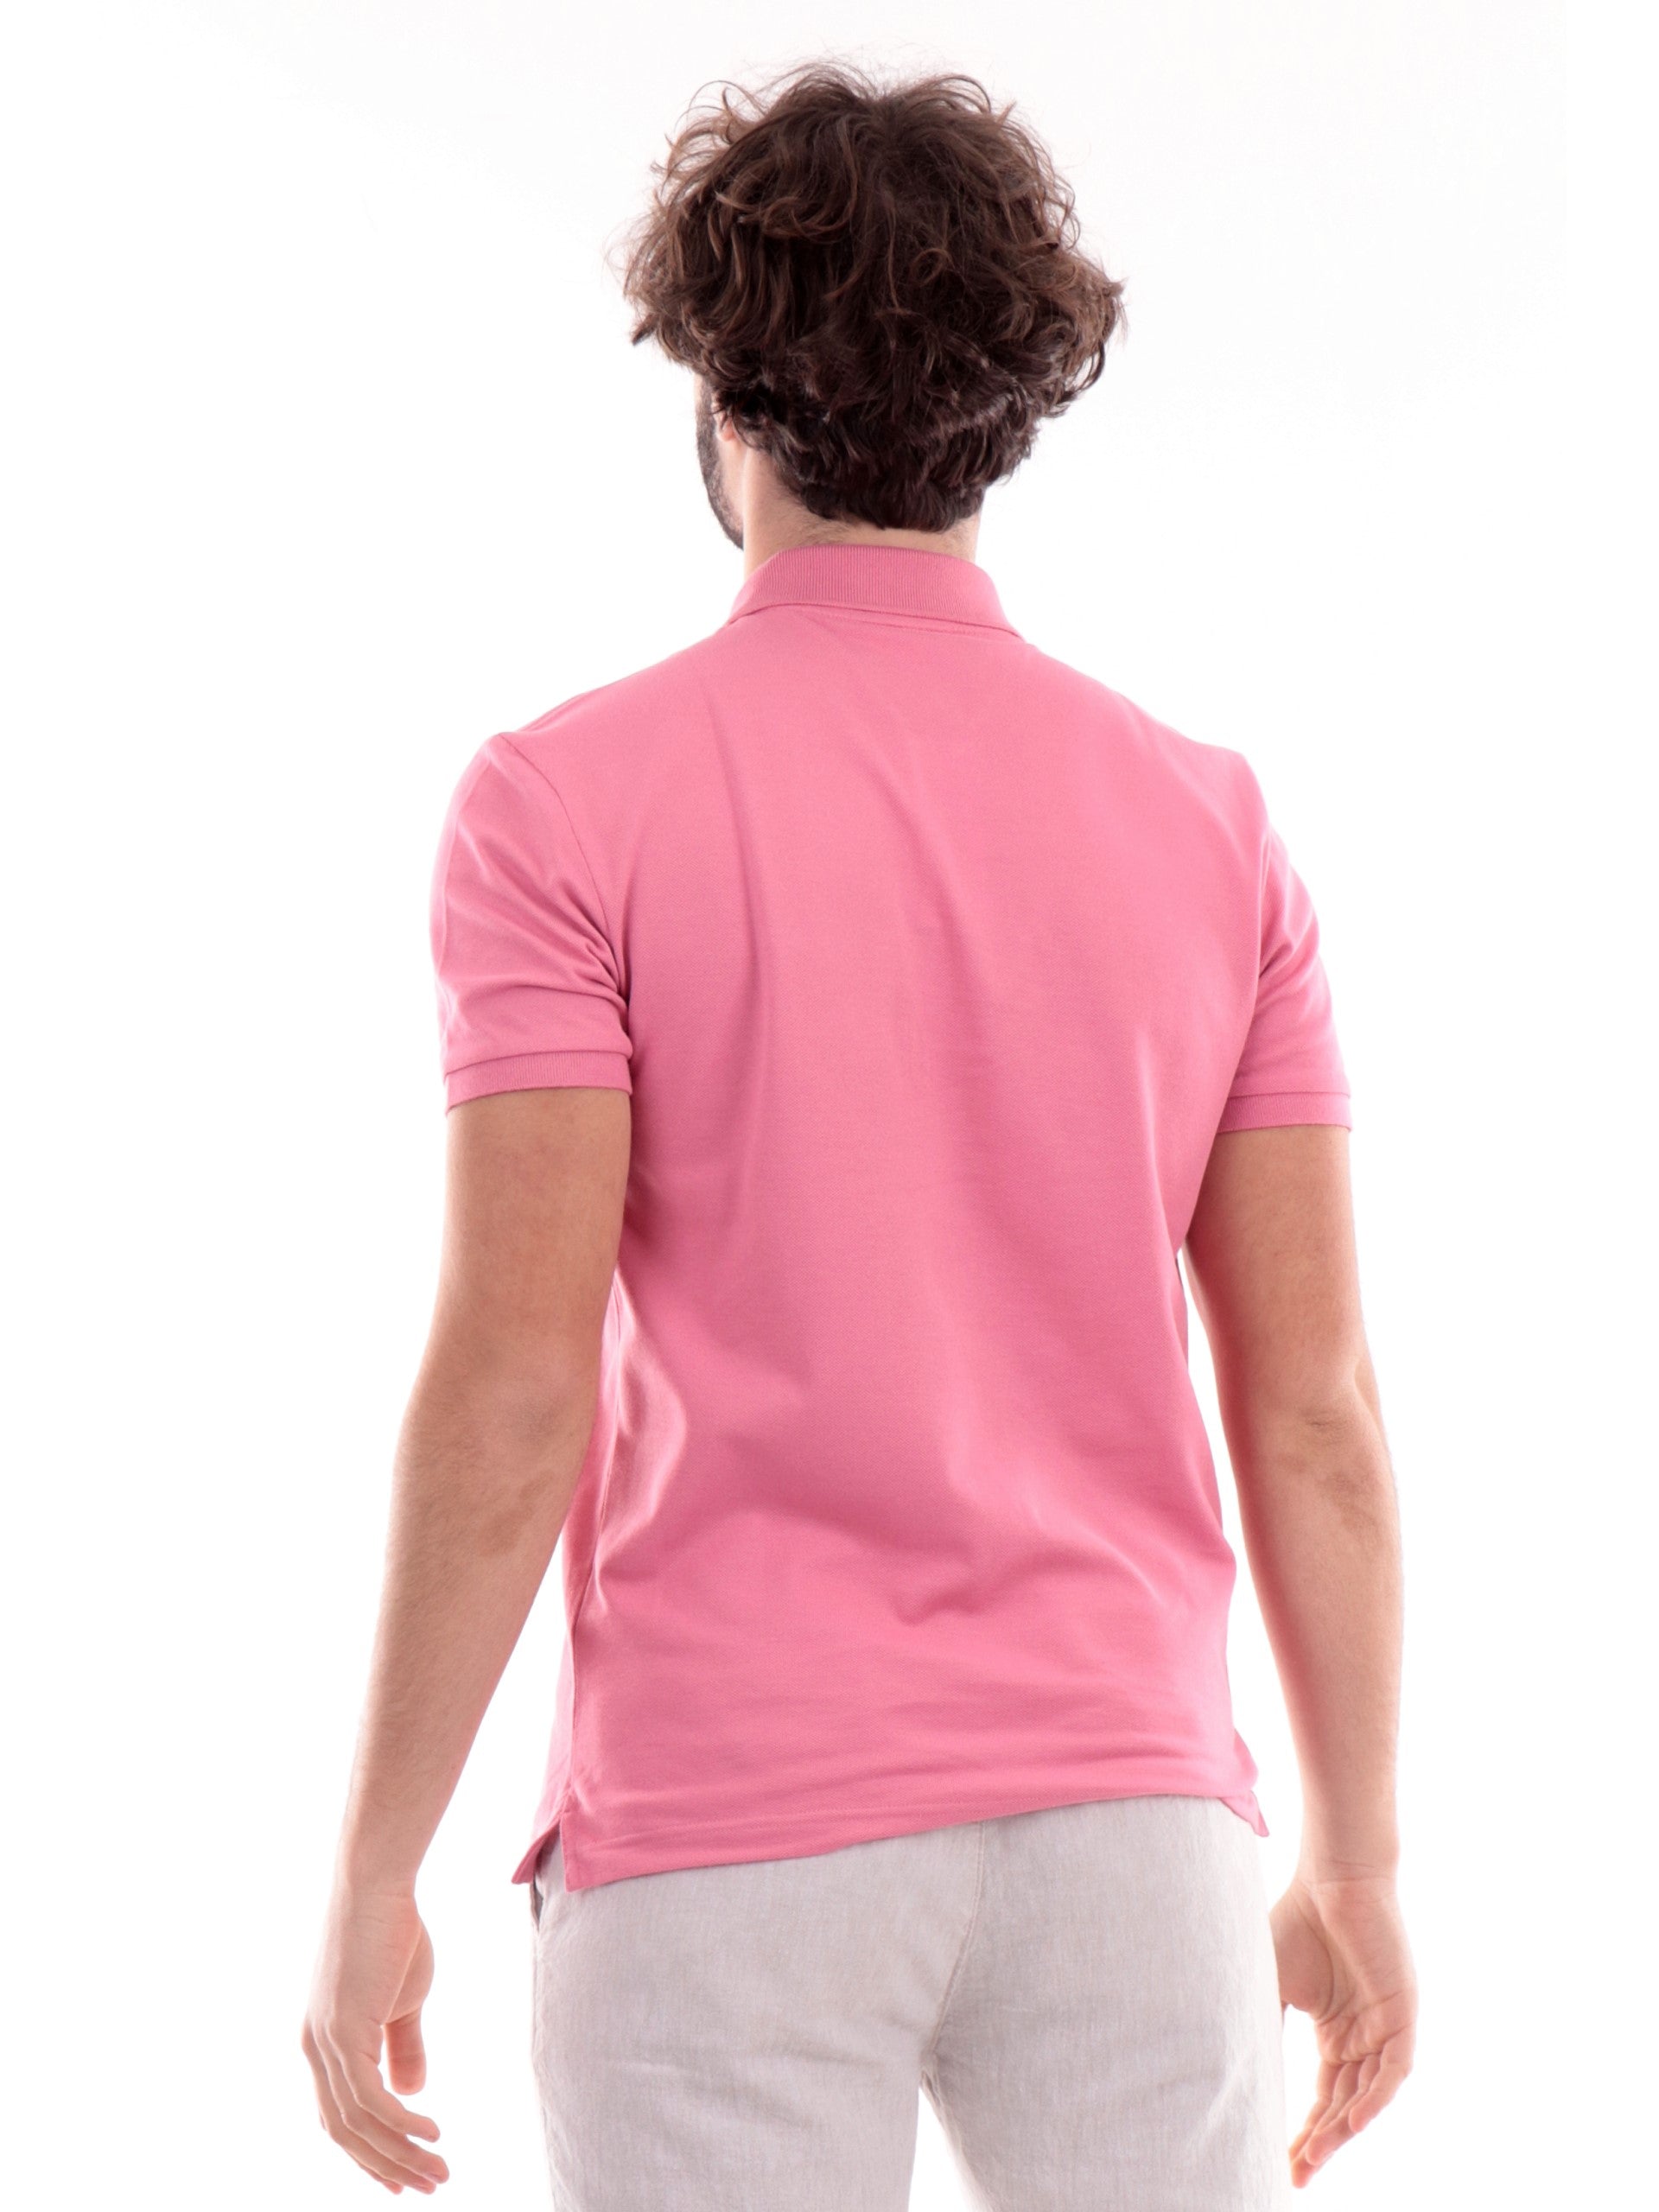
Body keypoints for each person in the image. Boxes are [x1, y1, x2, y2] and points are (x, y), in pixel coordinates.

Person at [302, 59, 1415, 2209]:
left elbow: (516, 1385)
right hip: (1134, 1825)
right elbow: (1319, 1412)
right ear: (1007, 409)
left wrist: (375, 1863)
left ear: (722, 393)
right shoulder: (1211, 824)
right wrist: (1357, 1862)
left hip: (729, 1836)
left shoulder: (562, 804)